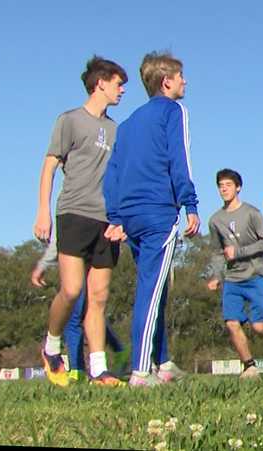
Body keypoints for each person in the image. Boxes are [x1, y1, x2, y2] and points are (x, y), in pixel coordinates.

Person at [102, 51, 200, 387]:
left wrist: (115, 216)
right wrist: (191, 204)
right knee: (150, 289)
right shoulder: (174, 111)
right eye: (181, 76)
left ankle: (164, 362)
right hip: (158, 211)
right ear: (166, 82)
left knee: (154, 286)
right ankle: (141, 372)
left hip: (130, 215)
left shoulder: (127, 125)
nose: (185, 82)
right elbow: (179, 157)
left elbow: (112, 173)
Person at [34, 56, 128, 387]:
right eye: (118, 84)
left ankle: (99, 369)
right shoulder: (70, 120)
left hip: (107, 222)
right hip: (73, 213)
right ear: (100, 83)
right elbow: (48, 167)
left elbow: (121, 179)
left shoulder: (117, 130)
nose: (122, 90)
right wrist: (43, 212)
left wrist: (122, 220)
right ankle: (51, 345)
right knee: (72, 290)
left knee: (99, 297)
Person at [205, 169, 263, 379]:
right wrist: (216, 276)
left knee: (260, 325)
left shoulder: (251, 213)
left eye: (228, 185)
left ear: (238, 187)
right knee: (231, 323)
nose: (224, 189)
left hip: (255, 274)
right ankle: (249, 366)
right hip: (232, 279)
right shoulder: (215, 220)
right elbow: (218, 252)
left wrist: (238, 252)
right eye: (221, 186)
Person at [30, 233, 125, 381]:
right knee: (87, 312)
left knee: (75, 315)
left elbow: (60, 239)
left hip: (81, 262)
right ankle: (116, 351)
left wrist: (43, 264)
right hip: (83, 259)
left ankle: (78, 369)